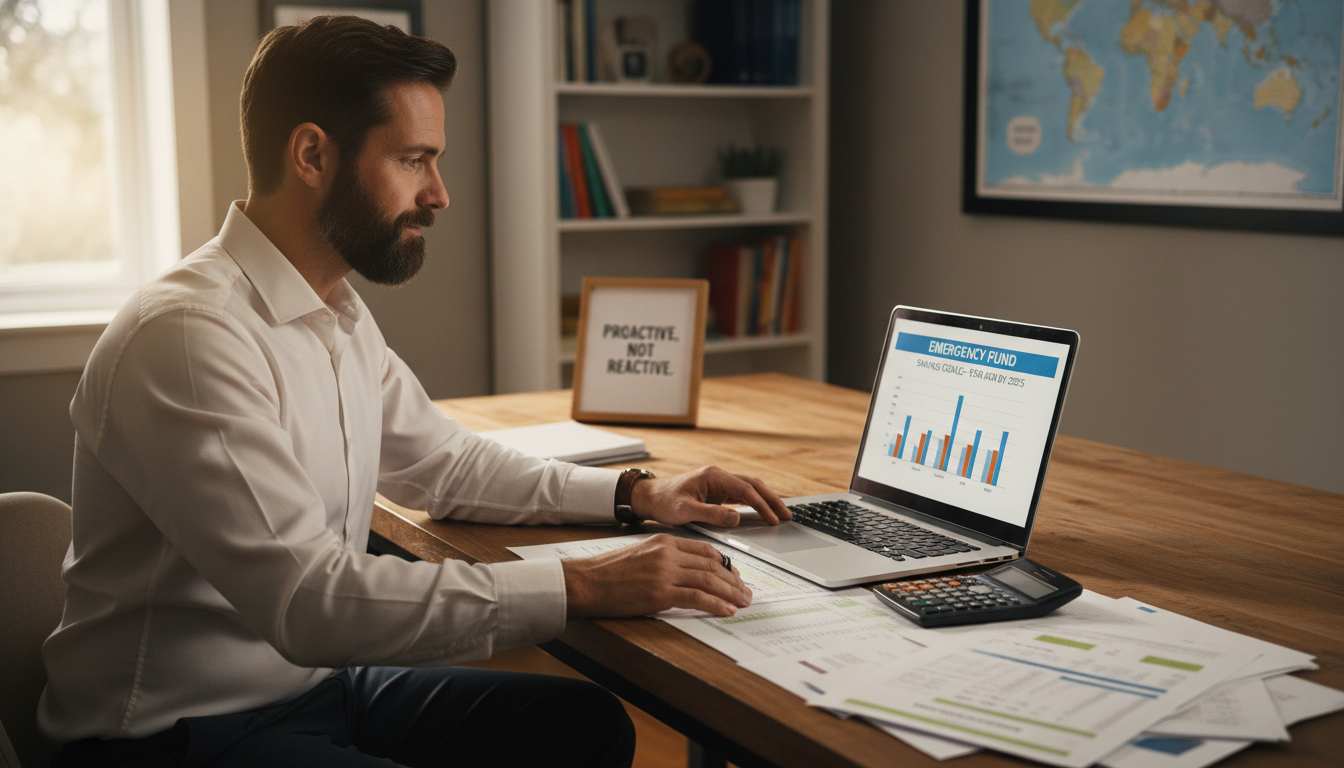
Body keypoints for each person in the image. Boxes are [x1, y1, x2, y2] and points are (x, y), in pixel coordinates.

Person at [39, 16, 792, 767]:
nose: (439, 195)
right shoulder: (189, 337)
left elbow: (447, 466)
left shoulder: (332, 309)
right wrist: (584, 583)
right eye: (413, 160)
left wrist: (637, 495)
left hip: (311, 689)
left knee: (587, 726)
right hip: (170, 735)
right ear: (311, 155)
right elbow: (311, 603)